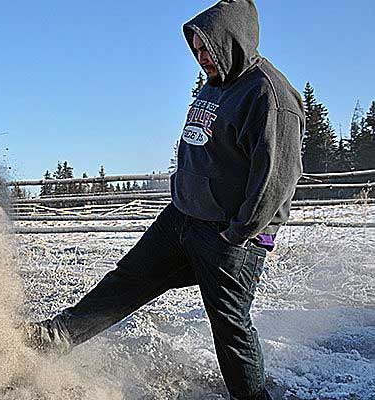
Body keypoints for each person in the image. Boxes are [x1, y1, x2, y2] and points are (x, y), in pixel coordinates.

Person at [25, 1, 304, 399]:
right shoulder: (215, 84)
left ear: (232, 41)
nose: (201, 57)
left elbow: (278, 178)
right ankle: (55, 337)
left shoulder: (269, 95)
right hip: (182, 219)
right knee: (127, 281)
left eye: (208, 48)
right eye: (196, 50)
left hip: (227, 238)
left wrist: (238, 233)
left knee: (230, 329)